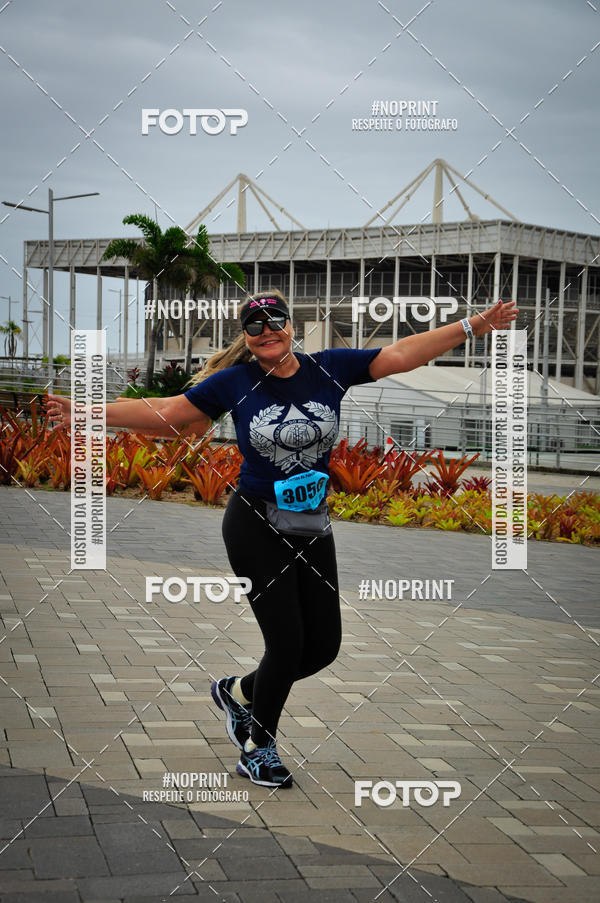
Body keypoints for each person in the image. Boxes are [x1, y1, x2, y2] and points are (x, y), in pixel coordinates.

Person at [46, 289, 518, 788]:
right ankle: (258, 748)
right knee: (287, 644)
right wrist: (85, 411)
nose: (267, 330)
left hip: (310, 523)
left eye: (276, 321)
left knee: (324, 647)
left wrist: (474, 326)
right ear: (246, 337)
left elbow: (402, 354)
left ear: (291, 326)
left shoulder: (328, 368)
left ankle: (239, 692)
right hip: (254, 524)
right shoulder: (235, 382)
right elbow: (168, 411)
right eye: (255, 325)